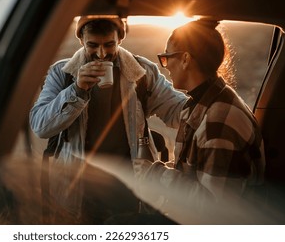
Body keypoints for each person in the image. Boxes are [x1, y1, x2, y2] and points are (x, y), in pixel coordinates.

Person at [29, 15, 187, 224]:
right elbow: (40, 126)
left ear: (120, 39)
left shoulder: (141, 72)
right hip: (77, 191)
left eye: (109, 45)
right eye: (92, 45)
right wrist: (77, 90)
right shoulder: (63, 73)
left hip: (129, 189)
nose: (102, 54)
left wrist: (216, 106)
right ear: (81, 41)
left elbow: (178, 111)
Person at [134, 19, 266, 223]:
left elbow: (213, 210)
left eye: (167, 58)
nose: (166, 67)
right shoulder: (206, 103)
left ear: (185, 59)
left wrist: (157, 174)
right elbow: (197, 173)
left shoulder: (219, 121)